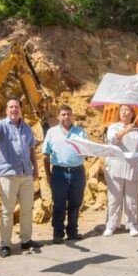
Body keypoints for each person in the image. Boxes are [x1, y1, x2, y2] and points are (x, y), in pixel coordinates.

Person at [0, 98, 41, 258]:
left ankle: (26, 240)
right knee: (7, 211)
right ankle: (5, 244)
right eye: (11, 107)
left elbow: (31, 149)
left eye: (16, 107)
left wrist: (35, 169)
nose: (14, 109)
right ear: (6, 110)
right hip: (8, 174)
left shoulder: (26, 128)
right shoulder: (1, 125)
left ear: (21, 110)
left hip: (26, 174)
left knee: (27, 209)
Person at [42, 104, 87, 244]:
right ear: (58, 117)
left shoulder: (80, 132)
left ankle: (73, 232)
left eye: (68, 114)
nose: (66, 117)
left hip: (78, 172)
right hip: (59, 174)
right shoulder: (51, 132)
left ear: (72, 116)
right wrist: (48, 175)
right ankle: (58, 233)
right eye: (63, 114)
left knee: (75, 204)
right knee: (59, 204)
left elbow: (87, 151)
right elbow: (45, 155)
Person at [103, 104, 138, 237]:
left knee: (132, 198)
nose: (124, 112)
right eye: (122, 110)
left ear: (132, 113)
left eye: (127, 110)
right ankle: (112, 225)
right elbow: (112, 139)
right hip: (116, 165)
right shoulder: (113, 127)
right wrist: (125, 131)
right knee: (114, 197)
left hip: (133, 166)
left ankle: (132, 225)